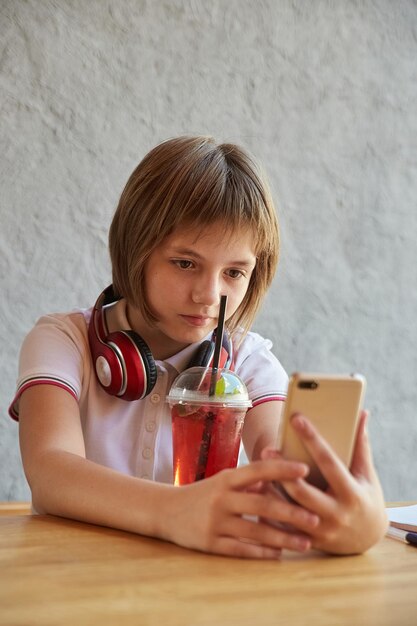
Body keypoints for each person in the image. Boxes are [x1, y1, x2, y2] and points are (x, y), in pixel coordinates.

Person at [9, 136, 387, 559]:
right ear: (136, 251)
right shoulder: (62, 340)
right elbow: (50, 470)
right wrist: (172, 513)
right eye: (185, 263)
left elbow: (280, 460)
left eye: (234, 272)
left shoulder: (248, 359)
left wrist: (361, 522)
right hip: (74, 577)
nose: (209, 294)